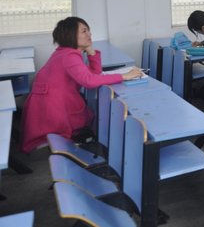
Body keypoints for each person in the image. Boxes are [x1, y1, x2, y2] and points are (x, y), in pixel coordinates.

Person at [20, 17, 143, 153]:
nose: (89, 34)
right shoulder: (69, 56)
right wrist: (124, 76)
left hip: (49, 104)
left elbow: (94, 74)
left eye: (88, 30)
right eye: (84, 31)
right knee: (94, 117)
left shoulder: (64, 52)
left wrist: (91, 51)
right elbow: (89, 81)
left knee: (92, 115)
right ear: (71, 35)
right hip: (53, 109)